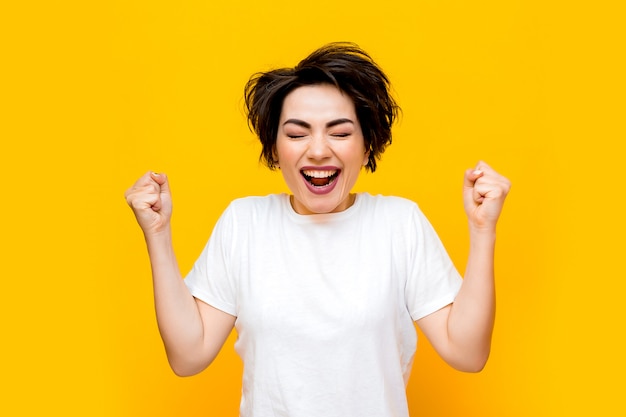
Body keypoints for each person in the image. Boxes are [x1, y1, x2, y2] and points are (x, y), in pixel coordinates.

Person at [124, 42, 511, 417]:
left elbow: (468, 353)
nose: (319, 149)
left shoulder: (399, 224)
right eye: (296, 134)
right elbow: (188, 355)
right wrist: (157, 234)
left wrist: (482, 230)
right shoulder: (245, 224)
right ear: (274, 148)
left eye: (340, 133)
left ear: (367, 145)